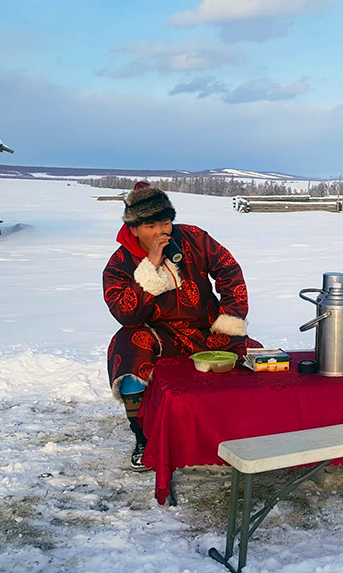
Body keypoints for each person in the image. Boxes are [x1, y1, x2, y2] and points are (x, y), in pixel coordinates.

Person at [103, 182, 260, 470]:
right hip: (161, 335)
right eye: (151, 225)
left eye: (166, 222)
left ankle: (243, 430)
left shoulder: (193, 238)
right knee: (128, 346)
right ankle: (144, 437)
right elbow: (126, 314)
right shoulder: (120, 263)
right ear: (134, 228)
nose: (162, 231)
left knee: (257, 358)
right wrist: (150, 269)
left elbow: (228, 268)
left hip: (207, 330)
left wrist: (228, 318)